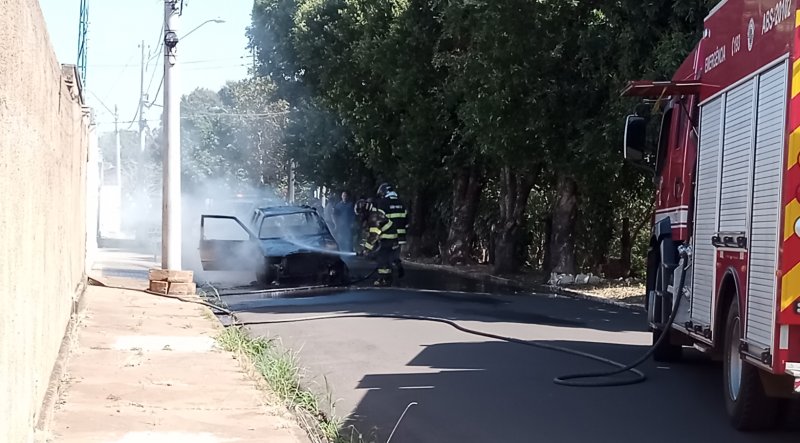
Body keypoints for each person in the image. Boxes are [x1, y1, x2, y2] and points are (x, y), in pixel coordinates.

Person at [354, 198, 396, 286]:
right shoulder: (373, 214)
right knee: (380, 257)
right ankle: (384, 277)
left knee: (382, 258)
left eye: (361, 213)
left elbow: (373, 236)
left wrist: (366, 250)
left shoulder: (373, 217)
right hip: (386, 238)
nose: (361, 216)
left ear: (364, 211)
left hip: (388, 239)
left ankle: (385, 279)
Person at [375, 183, 408, 279]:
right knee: (394, 254)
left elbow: (380, 220)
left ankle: (386, 277)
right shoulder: (401, 202)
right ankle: (397, 264)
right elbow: (407, 220)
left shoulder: (383, 203)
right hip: (401, 236)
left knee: (384, 256)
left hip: (388, 235)